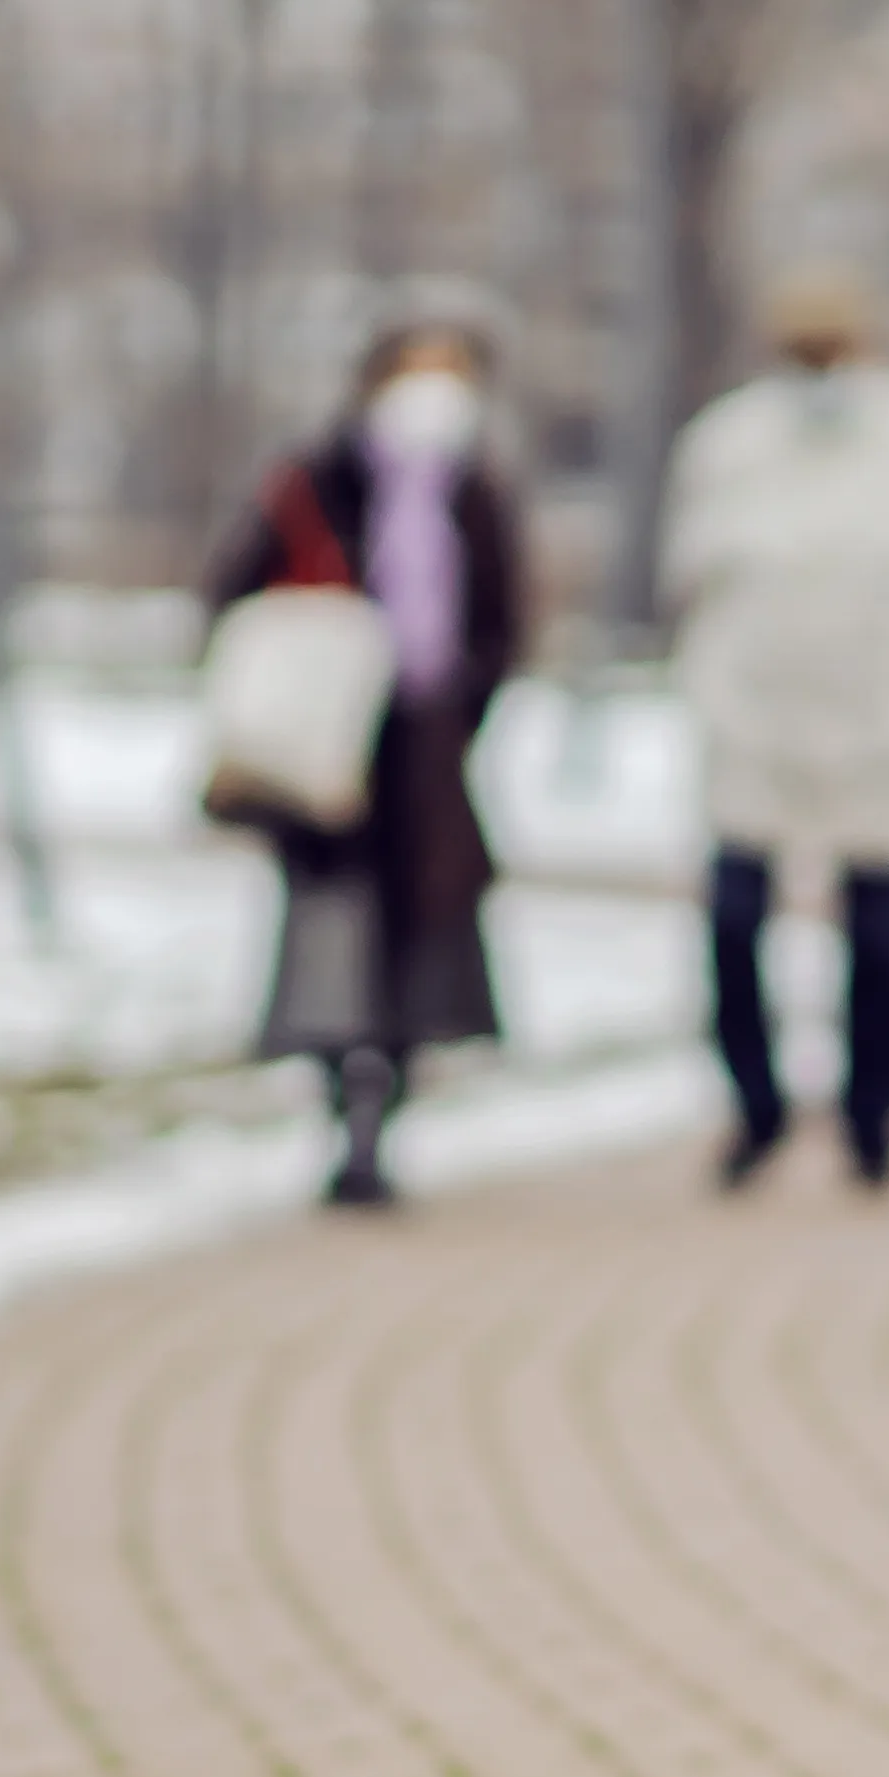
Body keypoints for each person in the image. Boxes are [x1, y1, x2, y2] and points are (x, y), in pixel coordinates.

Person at [662, 280, 889, 1188]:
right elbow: (688, 572)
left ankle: (875, 1110)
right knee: (736, 920)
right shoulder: (726, 441)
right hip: (757, 712)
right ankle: (756, 1105)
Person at [206, 301, 527, 1208]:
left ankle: (381, 1111)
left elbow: (502, 623)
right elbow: (235, 591)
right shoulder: (317, 479)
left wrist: (462, 710)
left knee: (418, 937)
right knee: (331, 936)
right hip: (329, 755)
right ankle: (341, 1110)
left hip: (428, 753)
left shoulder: (475, 490)